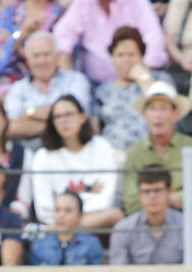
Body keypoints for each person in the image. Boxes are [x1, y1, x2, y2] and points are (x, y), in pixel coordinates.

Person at [26, 94, 123, 227]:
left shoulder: (101, 146)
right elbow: (44, 210)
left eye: (68, 114)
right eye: (57, 117)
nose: (63, 121)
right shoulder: (43, 156)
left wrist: (69, 216)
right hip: (56, 226)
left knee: (115, 215)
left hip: (94, 222)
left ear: (82, 117)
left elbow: (106, 199)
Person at [52, 0, 167, 87]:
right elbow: (63, 35)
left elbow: (153, 35)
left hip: (135, 82)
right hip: (94, 85)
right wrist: (69, 78)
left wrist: (144, 69)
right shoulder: (83, 0)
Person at [123, 80, 192, 216]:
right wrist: (177, 197)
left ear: (175, 114)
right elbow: (131, 203)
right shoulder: (135, 152)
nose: (157, 115)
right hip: (146, 221)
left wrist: (152, 198)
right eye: (152, 109)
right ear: (145, 115)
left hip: (184, 218)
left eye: (163, 108)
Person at [2, 31, 91, 144]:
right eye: (36, 55)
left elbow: (79, 116)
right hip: (30, 153)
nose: (41, 61)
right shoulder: (18, 88)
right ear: (28, 60)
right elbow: (12, 127)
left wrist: (30, 113)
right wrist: (63, 123)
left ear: (57, 57)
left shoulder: (76, 80)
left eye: (46, 54)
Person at [0, 0, 63, 97]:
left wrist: (30, 53)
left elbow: (64, 51)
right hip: (13, 75)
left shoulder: (60, 15)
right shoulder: (11, 12)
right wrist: (23, 32)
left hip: (50, 76)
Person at [94, 27, 159, 154]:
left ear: (141, 57)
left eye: (131, 54)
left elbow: (164, 110)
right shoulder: (103, 92)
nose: (126, 60)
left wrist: (144, 78)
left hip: (151, 153)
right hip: (114, 154)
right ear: (113, 59)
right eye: (120, 55)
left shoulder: (158, 80)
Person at [111, 163, 186, 264]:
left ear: (169, 192)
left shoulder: (189, 228)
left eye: (158, 190)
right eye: (146, 191)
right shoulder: (122, 230)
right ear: (139, 195)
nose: (152, 196)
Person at [29, 190, 102, 264]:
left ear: (80, 215)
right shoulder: (40, 245)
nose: (61, 215)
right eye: (57, 210)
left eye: (68, 210)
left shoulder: (91, 245)